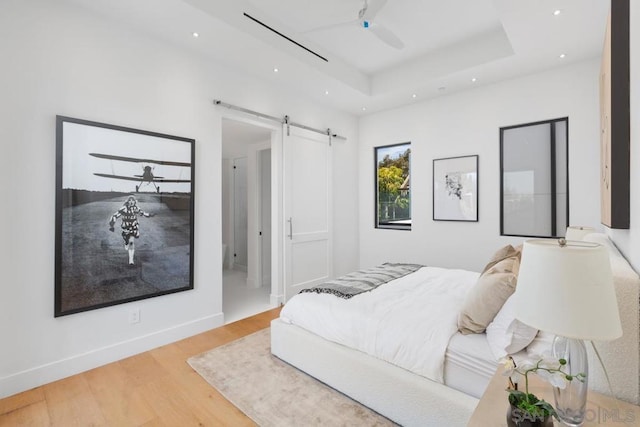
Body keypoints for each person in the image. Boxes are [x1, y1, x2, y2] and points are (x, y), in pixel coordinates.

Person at [109, 195, 155, 265]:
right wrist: (112, 225)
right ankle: (126, 242)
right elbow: (115, 215)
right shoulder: (124, 208)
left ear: (134, 201)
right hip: (126, 227)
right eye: (130, 200)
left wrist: (150, 215)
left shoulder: (136, 208)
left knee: (131, 242)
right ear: (127, 201)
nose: (131, 202)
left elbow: (142, 213)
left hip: (134, 227)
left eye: (132, 200)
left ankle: (131, 260)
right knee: (127, 240)